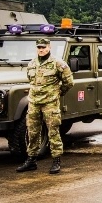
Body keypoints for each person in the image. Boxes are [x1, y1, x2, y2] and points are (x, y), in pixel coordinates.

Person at [17, 38, 74, 175]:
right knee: (32, 131)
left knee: (53, 131)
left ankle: (56, 160)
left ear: (49, 47)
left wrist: (58, 93)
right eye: (39, 47)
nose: (41, 49)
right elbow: (31, 81)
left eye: (43, 47)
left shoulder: (58, 63)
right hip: (34, 103)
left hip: (50, 103)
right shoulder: (32, 63)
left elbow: (69, 82)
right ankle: (31, 160)